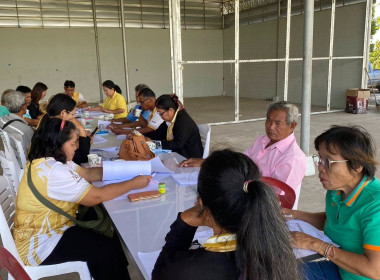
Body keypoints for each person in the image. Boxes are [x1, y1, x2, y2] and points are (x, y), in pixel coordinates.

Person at [12, 117, 152, 280]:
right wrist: (133, 183)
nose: (77, 147)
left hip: (51, 228)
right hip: (41, 244)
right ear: (58, 143)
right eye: (73, 143)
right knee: (104, 249)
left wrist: (130, 170)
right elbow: (96, 197)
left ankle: (119, 273)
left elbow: (90, 174)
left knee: (107, 231)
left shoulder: (52, 160)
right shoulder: (52, 171)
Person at [152, 149, 300, 280]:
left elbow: (160, 273)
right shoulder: (277, 250)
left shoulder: (189, 269)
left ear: (202, 204)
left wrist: (183, 223)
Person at [284, 125, 380, 280]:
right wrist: (294, 214)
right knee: (277, 270)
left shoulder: (376, 206)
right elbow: (333, 220)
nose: (321, 168)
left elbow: (375, 270)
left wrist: (315, 244)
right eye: (319, 159)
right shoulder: (335, 191)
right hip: (342, 270)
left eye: (328, 160)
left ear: (356, 165)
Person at [180, 101, 306, 204]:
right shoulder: (262, 140)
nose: (271, 127)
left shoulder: (292, 158)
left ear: (292, 126)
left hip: (261, 206)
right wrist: (207, 161)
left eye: (278, 123)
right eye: (268, 120)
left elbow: (278, 198)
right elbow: (240, 161)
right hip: (243, 192)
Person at [144, 94, 203, 158]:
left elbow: (177, 144)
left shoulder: (183, 121)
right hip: (177, 153)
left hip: (189, 157)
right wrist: (142, 136)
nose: (160, 116)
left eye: (161, 113)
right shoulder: (170, 119)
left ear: (171, 110)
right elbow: (158, 133)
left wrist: (153, 144)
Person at [40, 93, 91, 165]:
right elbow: (83, 157)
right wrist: (81, 129)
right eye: (72, 114)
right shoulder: (56, 129)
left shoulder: (46, 120)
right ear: (63, 113)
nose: (73, 118)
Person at [0, 90, 34, 158]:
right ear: (23, 106)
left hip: (6, 160)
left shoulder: (2, 120)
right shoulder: (25, 130)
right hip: (21, 164)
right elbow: (31, 152)